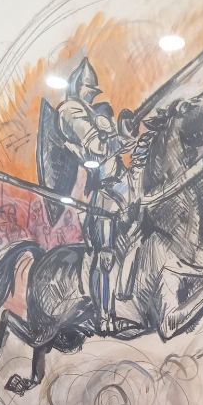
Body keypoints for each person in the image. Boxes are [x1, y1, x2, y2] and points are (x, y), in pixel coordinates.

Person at [54, 58, 136, 334]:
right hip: (101, 192)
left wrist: (125, 134)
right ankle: (104, 316)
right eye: (88, 89)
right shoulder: (70, 111)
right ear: (77, 87)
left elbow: (116, 147)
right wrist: (119, 137)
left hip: (122, 185)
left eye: (93, 91)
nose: (91, 94)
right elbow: (98, 148)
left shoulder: (95, 112)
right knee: (105, 257)